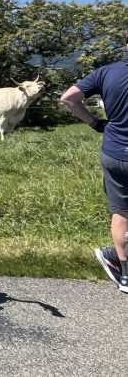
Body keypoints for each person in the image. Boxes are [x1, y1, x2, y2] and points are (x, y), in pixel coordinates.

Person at [60, 31, 128, 294]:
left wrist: (94, 123)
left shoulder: (106, 72)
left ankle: (125, 274)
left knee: (121, 212)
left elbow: (68, 98)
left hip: (114, 152)